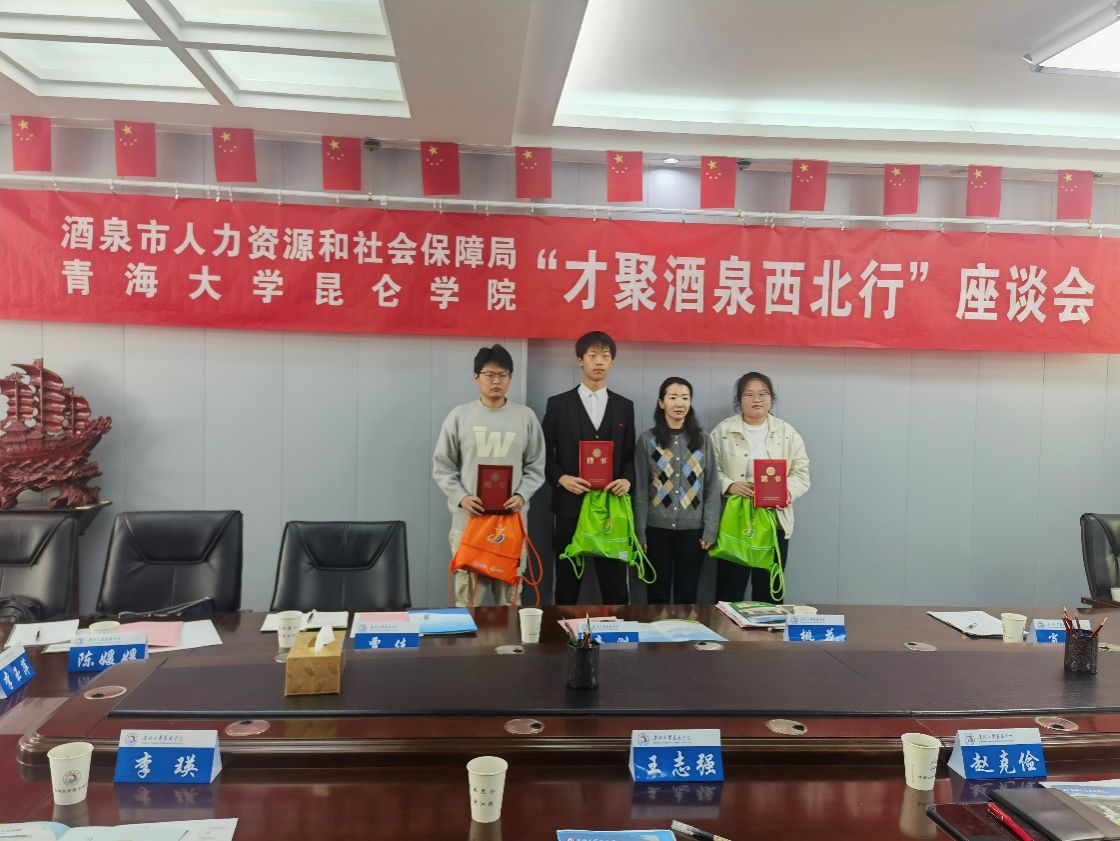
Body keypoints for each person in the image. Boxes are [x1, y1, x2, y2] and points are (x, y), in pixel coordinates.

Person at [433, 344, 545, 607]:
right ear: (476, 377)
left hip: (511, 522)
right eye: (490, 375)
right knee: (468, 601)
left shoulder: (525, 417)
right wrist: (461, 497)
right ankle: (467, 639)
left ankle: (509, 637)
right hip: (469, 521)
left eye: (503, 375)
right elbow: (443, 466)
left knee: (510, 601)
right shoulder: (459, 416)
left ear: (510, 378)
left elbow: (536, 466)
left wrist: (522, 495)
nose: (496, 381)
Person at [542, 331, 635, 605]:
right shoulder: (558, 404)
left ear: (612, 362)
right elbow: (543, 455)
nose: (599, 361)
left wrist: (627, 480)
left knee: (615, 583)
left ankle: (618, 632)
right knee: (567, 581)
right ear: (580, 360)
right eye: (592, 355)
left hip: (611, 507)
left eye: (605, 356)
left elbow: (630, 457)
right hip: (569, 504)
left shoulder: (624, 407)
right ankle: (561, 632)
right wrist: (561, 478)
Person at [710, 371, 810, 604]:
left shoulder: (787, 432)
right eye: (749, 395)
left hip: (774, 521)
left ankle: (768, 628)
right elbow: (710, 471)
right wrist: (729, 485)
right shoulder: (722, 431)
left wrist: (784, 492)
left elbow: (801, 473)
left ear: (771, 398)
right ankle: (728, 629)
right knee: (729, 590)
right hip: (734, 521)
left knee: (768, 591)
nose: (757, 400)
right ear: (739, 399)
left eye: (763, 394)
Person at [633, 377, 721, 605]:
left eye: (685, 398)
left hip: (693, 532)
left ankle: (685, 630)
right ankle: (657, 631)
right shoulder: (647, 440)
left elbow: (712, 486)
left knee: (687, 594)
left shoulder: (702, 439)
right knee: (657, 593)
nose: (679, 403)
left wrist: (710, 529)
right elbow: (640, 490)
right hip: (656, 530)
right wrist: (640, 532)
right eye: (673, 397)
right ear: (661, 403)